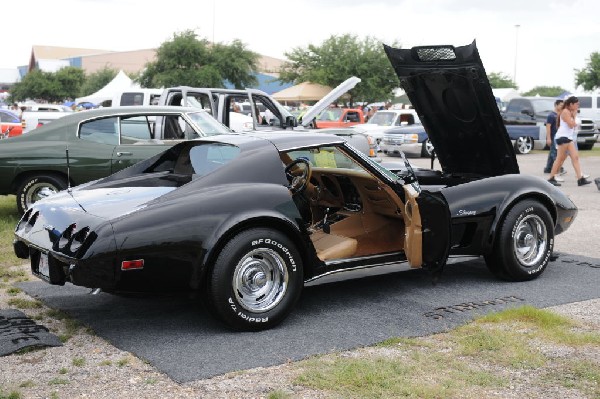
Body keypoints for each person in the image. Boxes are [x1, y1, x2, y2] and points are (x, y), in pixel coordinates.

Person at [548, 96, 592, 187]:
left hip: (568, 138)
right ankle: (551, 178)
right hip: (563, 138)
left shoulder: (569, 112)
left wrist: (574, 116)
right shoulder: (565, 112)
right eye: (576, 104)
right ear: (571, 104)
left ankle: (580, 179)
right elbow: (572, 125)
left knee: (574, 157)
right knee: (559, 159)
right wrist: (575, 115)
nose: (578, 106)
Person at [543, 99, 566, 178]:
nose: (562, 106)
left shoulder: (560, 114)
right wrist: (548, 138)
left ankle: (548, 168)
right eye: (561, 105)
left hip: (559, 136)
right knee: (554, 153)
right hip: (553, 137)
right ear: (556, 105)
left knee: (552, 153)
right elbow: (548, 127)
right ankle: (559, 167)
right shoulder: (551, 115)